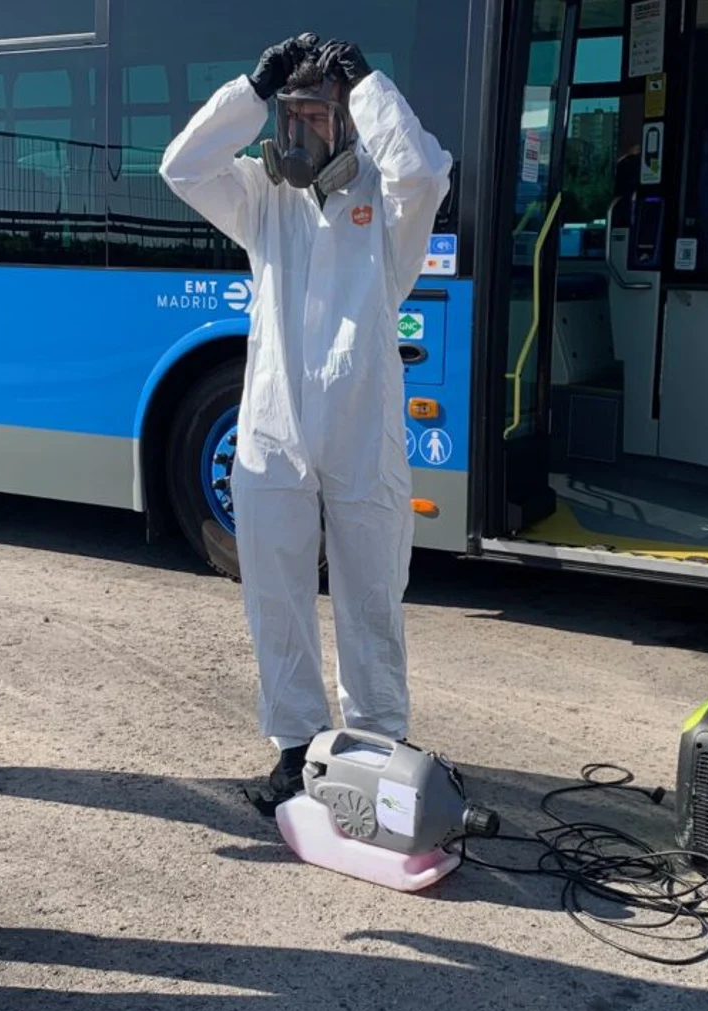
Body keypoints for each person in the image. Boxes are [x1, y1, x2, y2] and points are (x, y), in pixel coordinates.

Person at [160, 34, 452, 807]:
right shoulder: (263, 199)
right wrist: (252, 88)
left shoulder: (389, 211)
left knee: (371, 590)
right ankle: (294, 743)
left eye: (318, 114)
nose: (300, 132)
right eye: (290, 116)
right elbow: (182, 166)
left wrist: (368, 85)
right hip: (273, 426)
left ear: (351, 122)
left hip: (362, 428)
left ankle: (378, 737)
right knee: (276, 594)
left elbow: (422, 172)